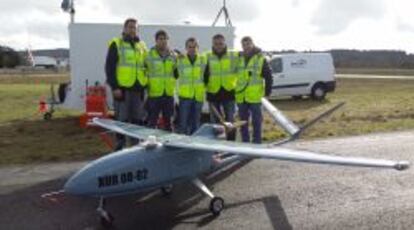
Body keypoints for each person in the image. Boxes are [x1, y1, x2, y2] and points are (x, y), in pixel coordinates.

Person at [105, 18, 147, 150]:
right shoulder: (117, 44)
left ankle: (135, 147)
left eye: (135, 27)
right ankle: (120, 147)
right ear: (124, 29)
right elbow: (109, 67)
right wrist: (115, 87)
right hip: (122, 90)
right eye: (130, 27)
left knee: (137, 120)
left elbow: (147, 64)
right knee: (121, 120)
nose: (132, 29)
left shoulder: (142, 46)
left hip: (138, 89)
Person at [236, 36, 273, 144]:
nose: (246, 47)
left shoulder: (260, 58)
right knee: (243, 122)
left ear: (252, 44)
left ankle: (257, 144)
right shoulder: (239, 58)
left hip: (255, 97)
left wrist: (267, 92)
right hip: (241, 96)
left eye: (248, 44)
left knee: (256, 122)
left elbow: (269, 76)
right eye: (244, 45)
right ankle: (245, 144)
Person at [204, 34, 239, 140]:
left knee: (230, 121)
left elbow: (248, 54)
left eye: (221, 43)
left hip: (229, 91)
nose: (218, 46)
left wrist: (257, 50)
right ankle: (216, 148)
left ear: (225, 43)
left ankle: (231, 146)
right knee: (215, 123)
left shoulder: (234, 55)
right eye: (216, 44)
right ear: (212, 44)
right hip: (213, 92)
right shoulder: (206, 56)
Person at [145, 30, 177, 131]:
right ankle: (149, 143)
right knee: (152, 122)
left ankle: (168, 144)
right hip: (154, 94)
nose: (163, 41)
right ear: (156, 40)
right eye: (160, 39)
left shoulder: (174, 56)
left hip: (168, 94)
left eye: (165, 39)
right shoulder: (148, 55)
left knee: (169, 123)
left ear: (168, 40)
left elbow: (177, 73)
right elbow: (143, 71)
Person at [176, 37, 207, 135]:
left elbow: (207, 76)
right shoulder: (180, 60)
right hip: (185, 97)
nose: (192, 49)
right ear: (186, 48)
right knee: (183, 124)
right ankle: (182, 146)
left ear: (198, 47)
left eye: (194, 47)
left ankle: (194, 146)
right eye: (190, 47)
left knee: (196, 124)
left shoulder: (203, 60)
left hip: (198, 97)